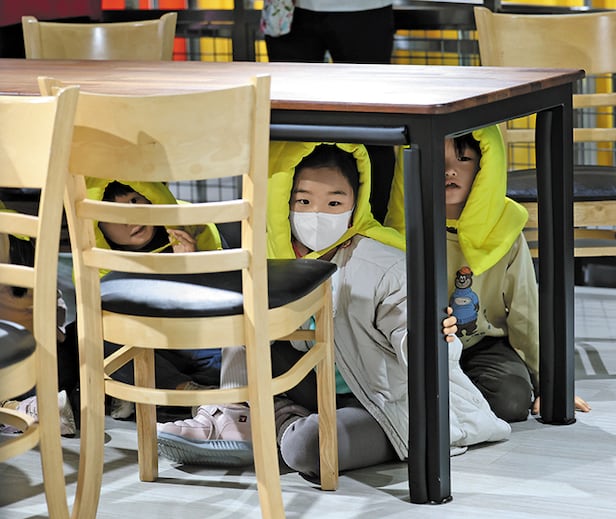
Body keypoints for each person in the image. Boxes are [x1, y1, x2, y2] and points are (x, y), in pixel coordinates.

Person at [156, 142, 512, 477]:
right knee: (247, 305)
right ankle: (233, 417)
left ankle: (270, 425)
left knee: (306, 447)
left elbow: (419, 347)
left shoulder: (385, 265)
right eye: (303, 200)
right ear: (283, 202)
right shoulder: (271, 257)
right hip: (314, 387)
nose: (317, 214)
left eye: (334, 202)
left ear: (356, 204)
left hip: (381, 403)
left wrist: (433, 337)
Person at [384, 125, 591, 421]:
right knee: (396, 392)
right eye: (437, 160)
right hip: (421, 347)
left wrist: (548, 384)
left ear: (485, 167)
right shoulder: (396, 234)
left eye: (463, 159)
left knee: (512, 400)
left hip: (484, 344)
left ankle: (447, 400)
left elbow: (525, 312)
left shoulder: (504, 230)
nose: (449, 170)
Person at [88, 180, 224, 419]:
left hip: (194, 339)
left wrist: (191, 266)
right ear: (98, 227)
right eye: (115, 214)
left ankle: (146, 390)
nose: (132, 218)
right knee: (90, 333)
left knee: (233, 356)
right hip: (144, 345)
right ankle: (186, 392)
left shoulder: (194, 226)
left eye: (135, 201)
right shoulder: (93, 258)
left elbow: (223, 306)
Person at [260, 0, 396, 223]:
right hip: (287, 11)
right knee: (286, 129)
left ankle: (375, 225)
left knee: (372, 126)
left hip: (363, 9)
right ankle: (281, 227)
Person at [0, 206, 78, 437]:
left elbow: (57, 336)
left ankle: (24, 409)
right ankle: (25, 409)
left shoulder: (38, 289)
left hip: (32, 366)